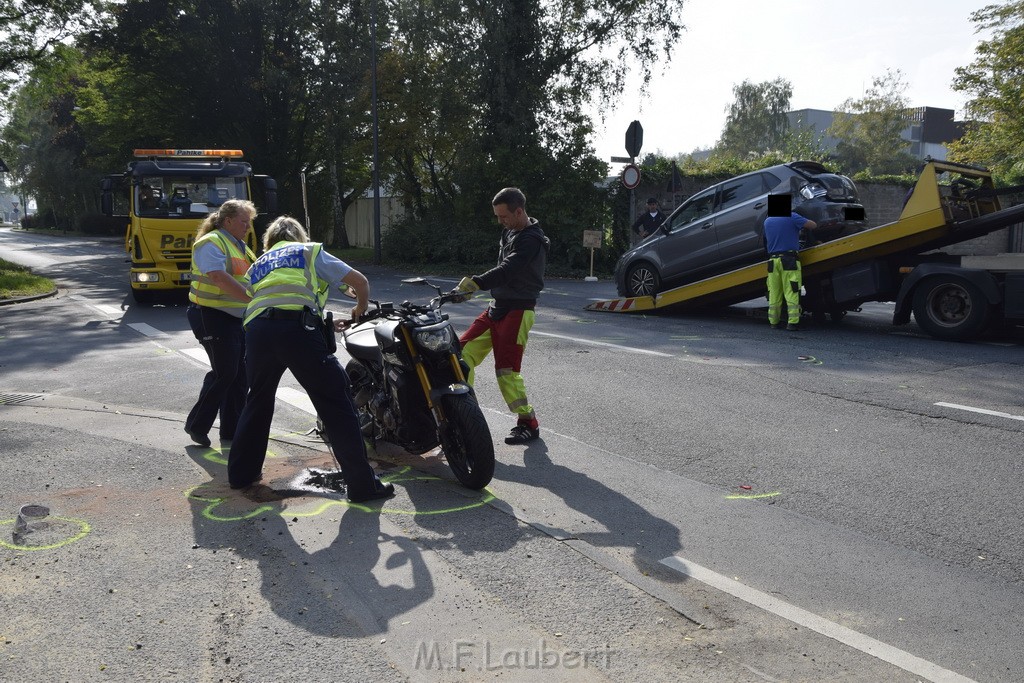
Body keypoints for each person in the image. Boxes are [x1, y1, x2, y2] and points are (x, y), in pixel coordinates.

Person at [227, 216, 394, 502]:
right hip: (296, 330)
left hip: (258, 332)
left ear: (270, 241)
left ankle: (241, 473)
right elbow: (360, 282)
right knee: (335, 401)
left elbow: (271, 299)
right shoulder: (308, 251)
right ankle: (363, 485)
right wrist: (359, 309)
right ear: (299, 236)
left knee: (258, 399)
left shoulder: (258, 264)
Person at [454, 187, 549, 445]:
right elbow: (501, 270)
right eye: (497, 216)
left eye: (504, 216)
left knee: (506, 371)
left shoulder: (532, 240)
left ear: (519, 212)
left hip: (519, 311)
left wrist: (476, 283)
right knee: (459, 355)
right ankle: (465, 413)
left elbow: (508, 269)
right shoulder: (510, 231)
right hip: (497, 308)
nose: (500, 221)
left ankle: (528, 422)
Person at [184, 199, 257, 447]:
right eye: (243, 221)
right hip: (210, 315)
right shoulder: (211, 242)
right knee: (225, 373)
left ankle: (231, 431)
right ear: (228, 221)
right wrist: (251, 299)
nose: (248, 226)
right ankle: (196, 425)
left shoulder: (241, 246)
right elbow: (218, 277)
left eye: (249, 222)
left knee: (239, 376)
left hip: (234, 318)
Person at [764, 209, 817, 331]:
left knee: (774, 292)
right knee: (791, 291)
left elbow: (766, 241)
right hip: (789, 260)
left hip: (772, 262)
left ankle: (774, 322)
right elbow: (812, 225)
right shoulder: (791, 217)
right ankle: (792, 323)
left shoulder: (767, 221)